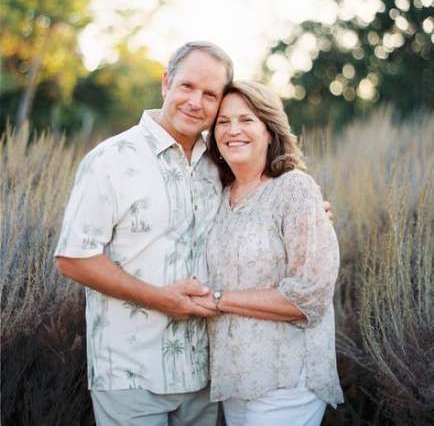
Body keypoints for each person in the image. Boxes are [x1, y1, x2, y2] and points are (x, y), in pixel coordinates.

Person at [55, 42, 335, 426]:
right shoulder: (111, 160)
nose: (195, 102)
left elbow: (259, 206)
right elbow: (73, 258)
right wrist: (160, 299)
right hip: (131, 372)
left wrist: (307, 215)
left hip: (205, 374)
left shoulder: (216, 164)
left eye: (210, 95)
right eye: (187, 86)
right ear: (166, 83)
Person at [191, 81, 344, 426]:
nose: (233, 131)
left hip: (288, 376)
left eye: (246, 120)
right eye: (223, 122)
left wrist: (218, 299)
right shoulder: (216, 193)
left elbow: (309, 296)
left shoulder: (294, 189)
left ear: (270, 130)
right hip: (234, 376)